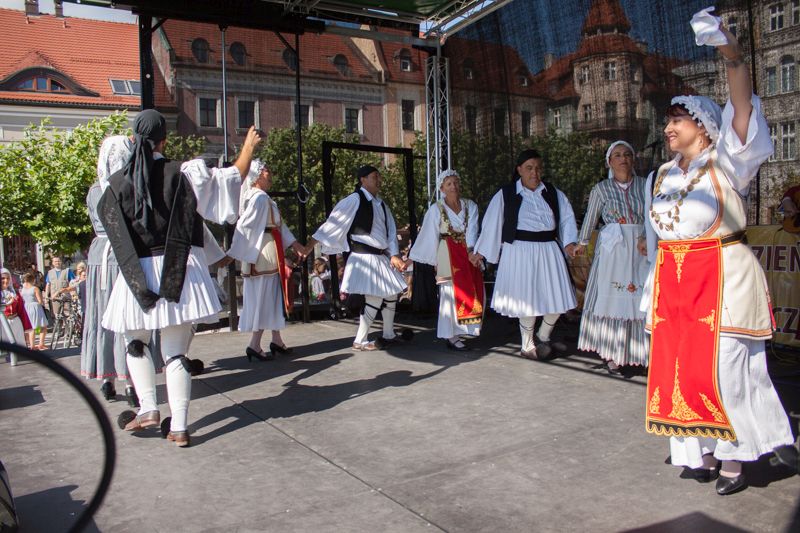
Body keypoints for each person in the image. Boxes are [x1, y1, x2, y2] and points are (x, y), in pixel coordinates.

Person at [641, 8, 795, 495]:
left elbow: (742, 106)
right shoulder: (663, 175)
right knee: (683, 369)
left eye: (677, 120)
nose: (668, 128)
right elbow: (662, 237)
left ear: (704, 126)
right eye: (668, 121)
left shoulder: (727, 162)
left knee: (727, 368)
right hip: (675, 282)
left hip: (723, 278)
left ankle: (736, 457)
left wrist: (729, 52)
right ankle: (701, 451)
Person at [98, 109, 263, 448]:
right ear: (164, 141)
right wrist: (248, 147)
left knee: (135, 342)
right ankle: (180, 427)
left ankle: (148, 407)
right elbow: (232, 177)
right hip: (178, 270)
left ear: (133, 139)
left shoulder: (115, 184)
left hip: (136, 271)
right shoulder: (184, 174)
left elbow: (114, 229)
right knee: (175, 352)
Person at [470, 150, 579, 359]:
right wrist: (481, 252)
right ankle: (527, 345)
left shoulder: (553, 192)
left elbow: (567, 219)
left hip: (549, 249)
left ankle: (543, 336)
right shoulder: (506, 193)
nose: (534, 173)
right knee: (526, 299)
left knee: (559, 298)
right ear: (519, 170)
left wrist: (569, 243)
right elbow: (492, 223)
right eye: (529, 168)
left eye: (538, 168)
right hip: (519, 250)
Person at [304, 165, 408, 350]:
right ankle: (360, 340)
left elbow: (391, 232)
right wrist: (308, 247)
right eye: (374, 176)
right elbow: (332, 224)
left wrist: (394, 254)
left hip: (379, 257)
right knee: (375, 297)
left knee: (391, 294)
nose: (379, 180)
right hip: (364, 257)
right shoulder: (354, 199)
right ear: (363, 179)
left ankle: (388, 334)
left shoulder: (381, 204)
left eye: (379, 176)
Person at [575, 141, 649, 375]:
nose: (622, 159)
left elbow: (652, 214)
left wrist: (648, 237)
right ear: (609, 162)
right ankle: (611, 352)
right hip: (613, 249)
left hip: (640, 247)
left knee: (639, 297)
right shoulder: (601, 189)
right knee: (611, 298)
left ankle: (639, 352)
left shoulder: (645, 185)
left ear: (633, 159)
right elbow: (591, 217)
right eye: (617, 155)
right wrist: (582, 243)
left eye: (627, 154)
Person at [227, 160, 305, 361]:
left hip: (265, 252)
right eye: (267, 171)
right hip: (263, 254)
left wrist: (295, 244)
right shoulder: (260, 198)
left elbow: (279, 227)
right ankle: (254, 344)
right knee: (266, 296)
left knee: (272, 296)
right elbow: (245, 226)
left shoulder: (261, 198)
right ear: (258, 175)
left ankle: (276, 340)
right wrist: (234, 252)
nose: (270, 174)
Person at [82, 135, 139, 405]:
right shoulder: (126, 187)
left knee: (102, 315)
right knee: (125, 317)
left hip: (98, 256)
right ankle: (130, 382)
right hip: (122, 253)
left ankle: (107, 380)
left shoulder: (95, 189)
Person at [409, 169, 483, 351]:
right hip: (447, 253)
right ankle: (451, 335)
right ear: (442, 189)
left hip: (467, 252)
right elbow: (429, 235)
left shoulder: (470, 206)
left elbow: (473, 230)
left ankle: (466, 329)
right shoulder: (436, 209)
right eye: (449, 184)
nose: (453, 187)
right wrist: (420, 258)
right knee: (449, 294)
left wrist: (471, 250)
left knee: (471, 289)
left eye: (456, 182)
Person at [1, 268, 31, 352]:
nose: (6, 280)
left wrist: (26, 329)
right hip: (2, 323)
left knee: (19, 347)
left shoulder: (15, 293)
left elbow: (21, 311)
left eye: (8, 278)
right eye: (3, 278)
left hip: (16, 322)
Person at [20, 272, 47, 349]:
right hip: (35, 307)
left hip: (26, 307)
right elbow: (40, 301)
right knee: (43, 326)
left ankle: (32, 345)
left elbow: (22, 299)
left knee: (31, 327)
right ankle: (41, 344)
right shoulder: (35, 288)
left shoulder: (22, 290)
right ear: (33, 280)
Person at [44, 255, 75, 320]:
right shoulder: (50, 273)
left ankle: (67, 325)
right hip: (55, 298)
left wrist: (73, 294)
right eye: (55, 261)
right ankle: (59, 325)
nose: (57, 263)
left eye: (58, 261)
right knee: (56, 316)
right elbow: (48, 285)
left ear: (61, 262)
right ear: (53, 263)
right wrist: (46, 296)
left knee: (67, 315)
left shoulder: (67, 271)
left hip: (65, 297)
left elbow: (73, 283)